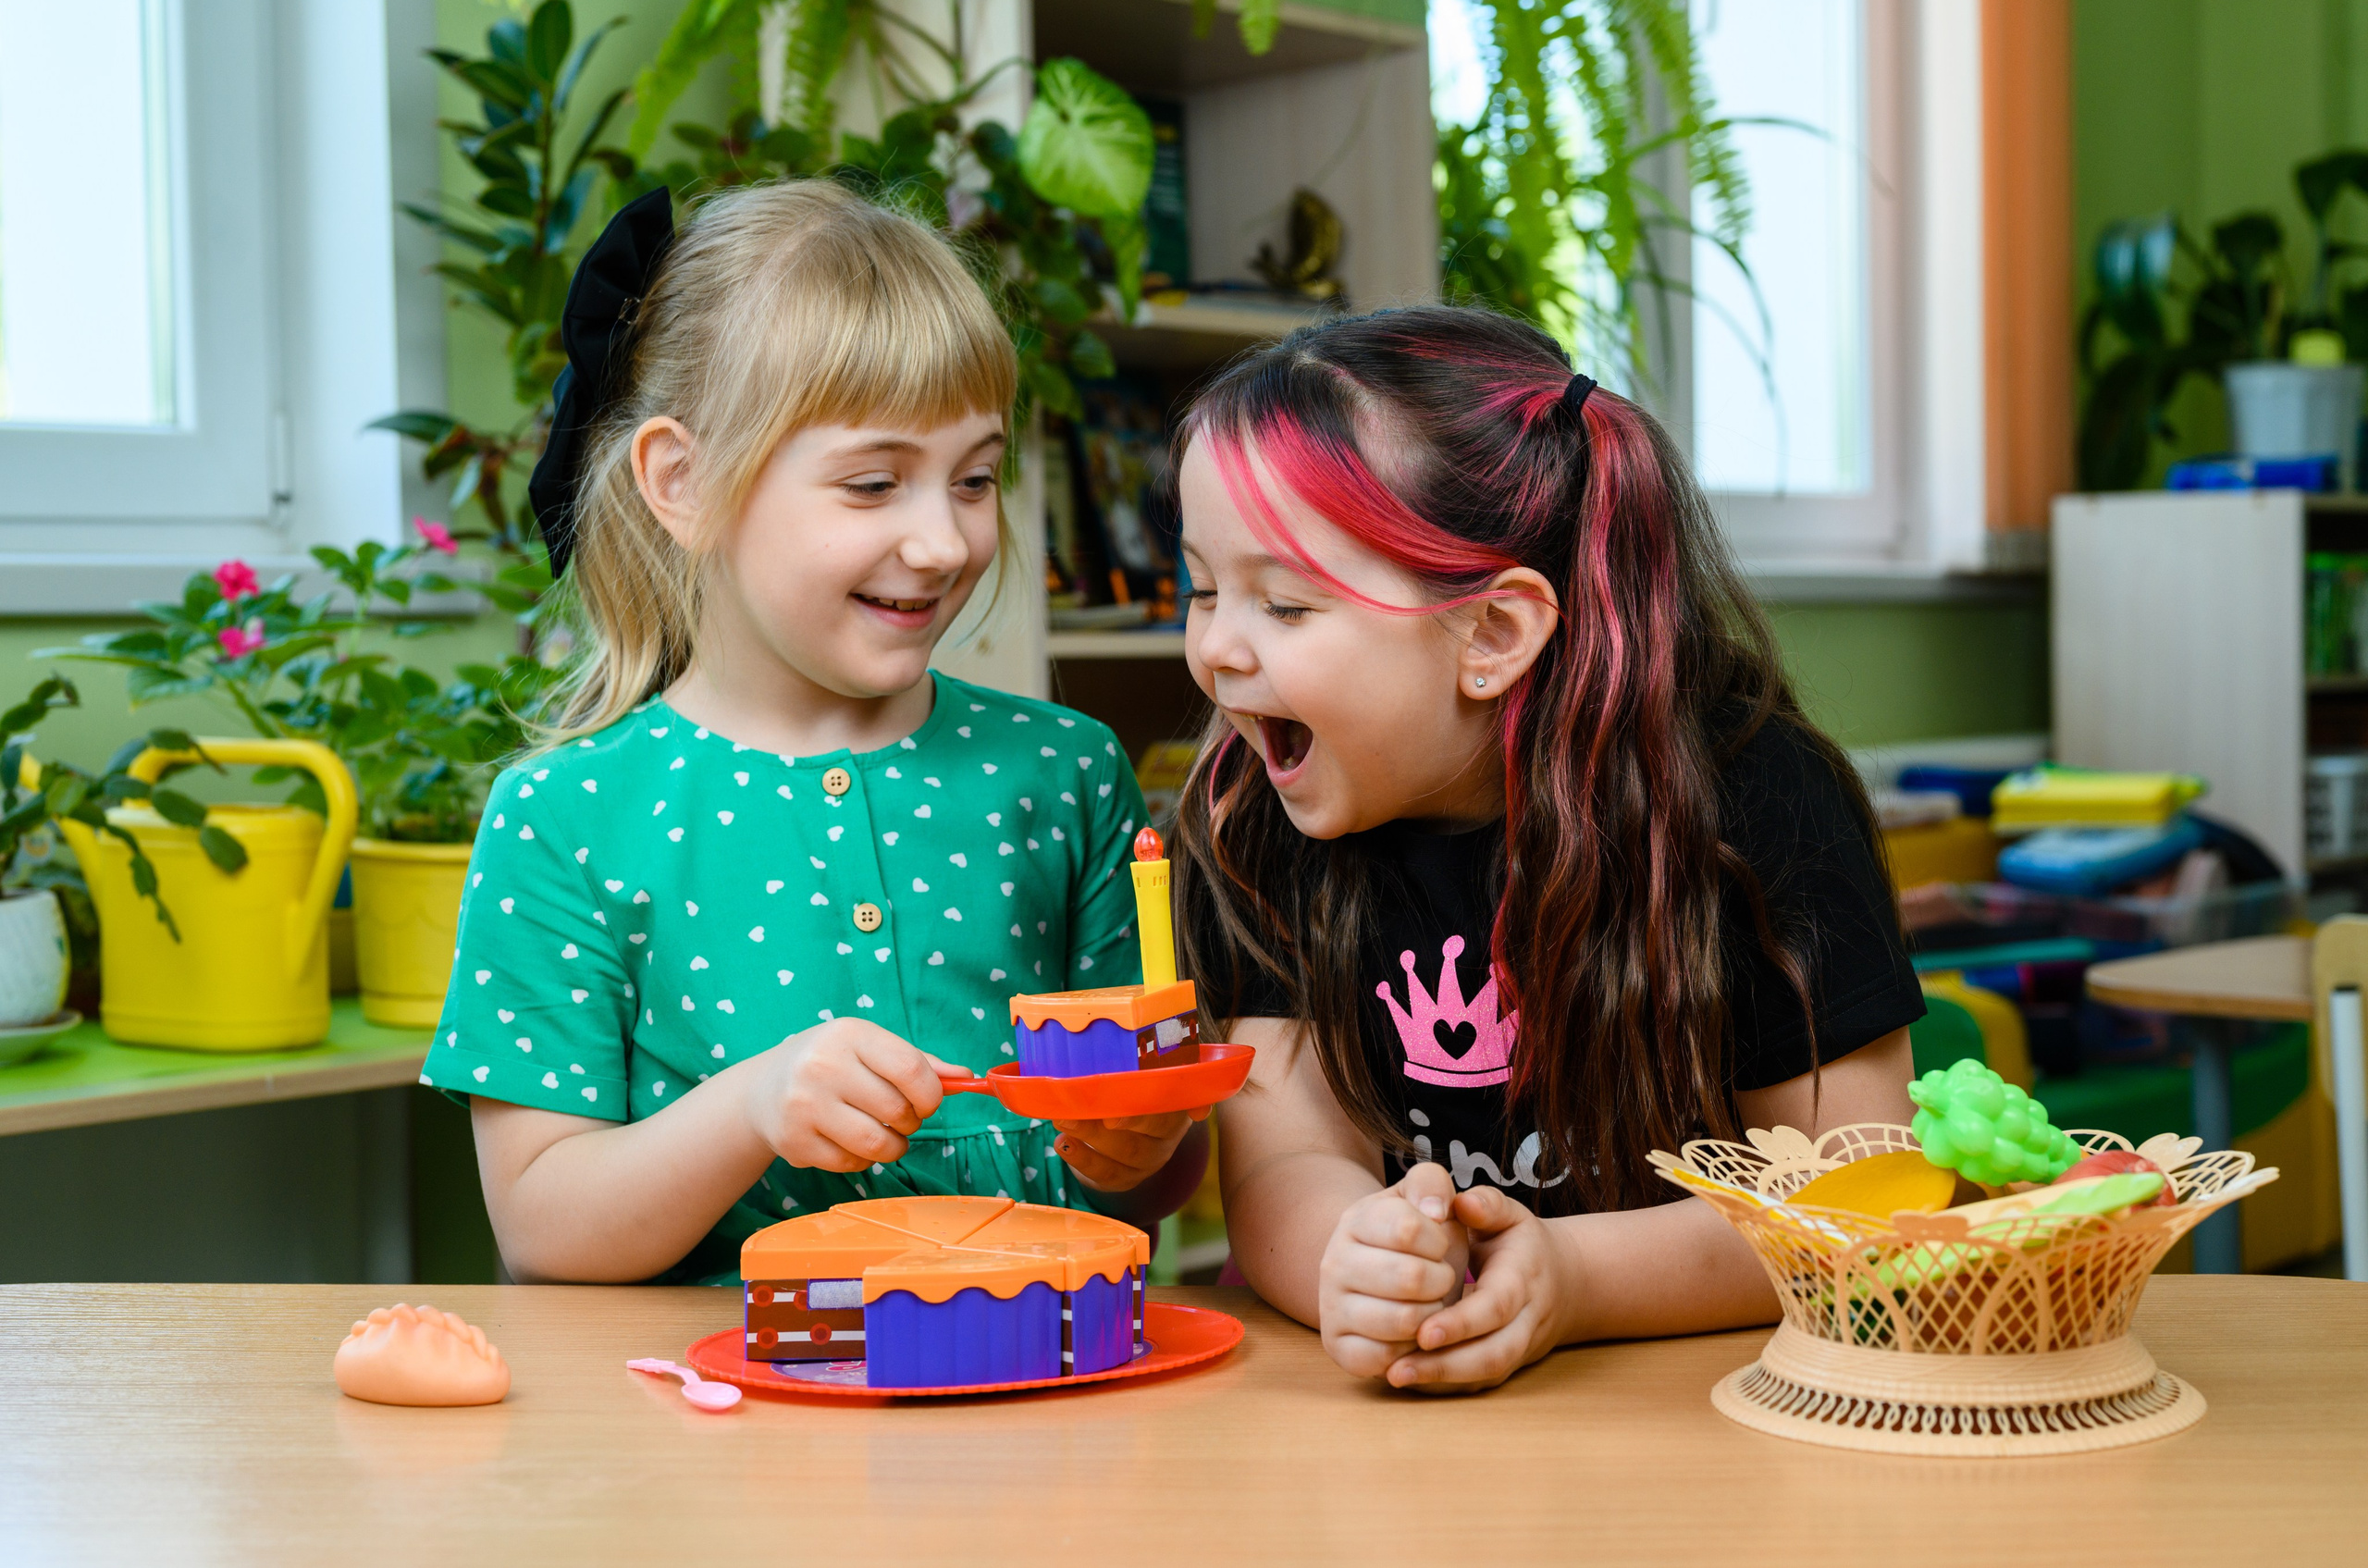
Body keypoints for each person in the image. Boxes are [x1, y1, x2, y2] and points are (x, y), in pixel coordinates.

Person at [423, 180, 1205, 1285]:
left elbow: (1154, 1173)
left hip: (1049, 1392)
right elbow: (543, 1227)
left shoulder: (1063, 774)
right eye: (874, 481)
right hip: (711, 1428)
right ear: (682, 482)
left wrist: (1149, 1145)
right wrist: (748, 1106)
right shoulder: (568, 818)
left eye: (975, 478)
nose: (941, 540)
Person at [1171, 305, 1922, 1391]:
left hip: (1706, 1414)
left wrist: (1573, 1276)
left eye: (1283, 604)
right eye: (1201, 588)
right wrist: (1355, 1259)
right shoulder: (1253, 816)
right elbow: (1283, 1155)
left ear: (1492, 634)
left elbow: (1856, 1202)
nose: (1214, 650)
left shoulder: (1761, 806)